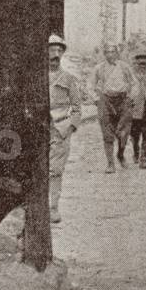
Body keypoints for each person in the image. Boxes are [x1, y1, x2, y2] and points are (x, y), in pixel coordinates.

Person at [48, 34, 82, 224]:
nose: (55, 53)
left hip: (60, 129)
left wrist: (71, 126)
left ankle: (53, 208)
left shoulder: (68, 79)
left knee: (55, 171)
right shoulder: (37, 77)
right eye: (52, 49)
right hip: (40, 128)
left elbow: (77, 107)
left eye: (59, 50)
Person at [94, 44, 136, 173]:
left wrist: (131, 97)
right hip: (106, 100)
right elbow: (90, 84)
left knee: (123, 134)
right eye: (107, 52)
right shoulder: (99, 68)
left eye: (112, 52)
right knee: (107, 134)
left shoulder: (124, 67)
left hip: (122, 100)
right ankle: (110, 163)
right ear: (104, 54)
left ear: (117, 53)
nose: (110, 54)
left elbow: (134, 83)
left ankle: (120, 154)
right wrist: (95, 98)